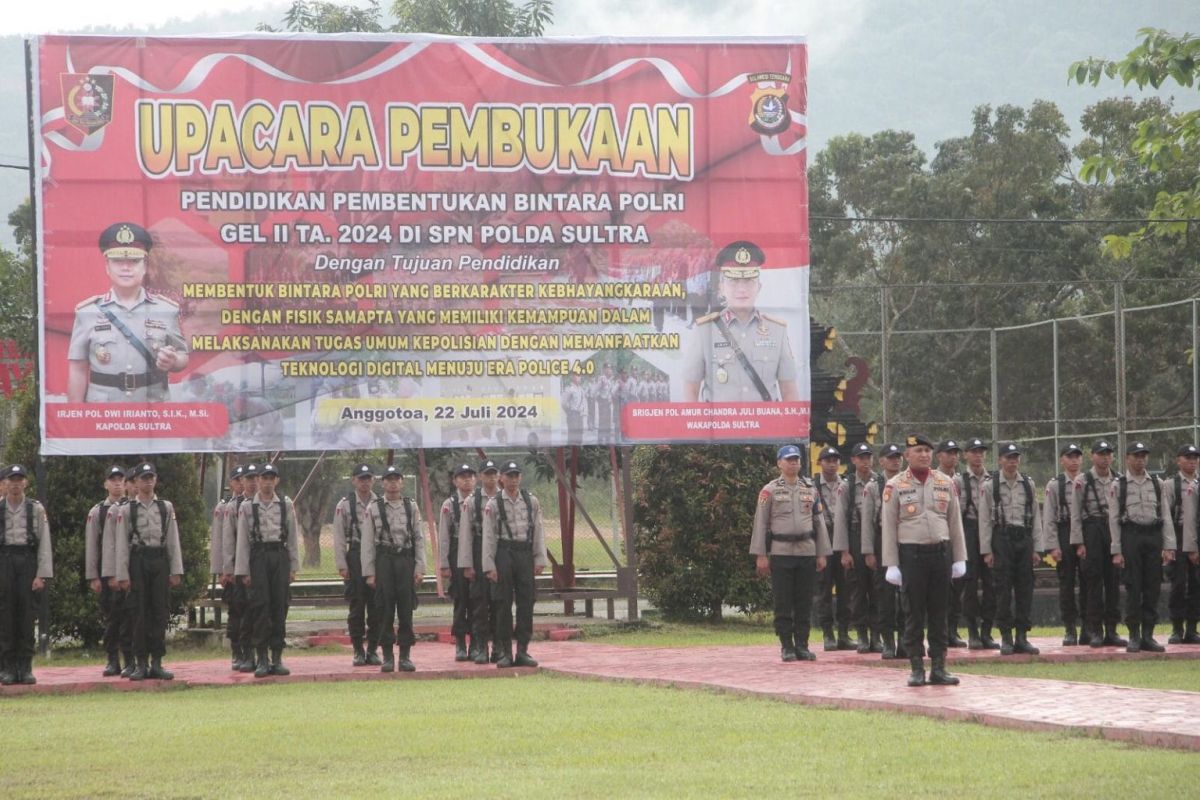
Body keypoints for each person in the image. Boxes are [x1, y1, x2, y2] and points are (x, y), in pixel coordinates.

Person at [67, 222, 188, 402]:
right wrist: (74, 420)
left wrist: (173, 361)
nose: (126, 268)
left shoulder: (166, 310)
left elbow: (182, 356)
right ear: (107, 267)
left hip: (152, 410)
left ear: (145, 266)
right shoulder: (87, 312)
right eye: (117, 261)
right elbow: (77, 369)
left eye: (133, 261)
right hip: (104, 413)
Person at [881, 435, 967, 687]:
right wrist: (892, 563)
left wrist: (959, 558)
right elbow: (888, 526)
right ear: (907, 455)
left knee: (940, 613)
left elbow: (954, 522)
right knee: (914, 614)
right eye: (918, 450)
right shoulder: (895, 485)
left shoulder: (945, 482)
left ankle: (939, 667)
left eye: (928, 450)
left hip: (940, 554)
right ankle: (916, 667)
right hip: (911, 556)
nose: (924, 455)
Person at [680, 241, 799, 403]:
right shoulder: (704, 331)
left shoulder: (777, 330)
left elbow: (789, 391)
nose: (742, 289)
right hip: (719, 426)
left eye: (749, 281)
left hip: (766, 426)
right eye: (734, 281)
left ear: (759, 287)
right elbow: (690, 390)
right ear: (721, 287)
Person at [754, 444, 830, 661]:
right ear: (779, 463)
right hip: (781, 551)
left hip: (806, 551)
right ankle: (787, 645)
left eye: (796, 459)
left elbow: (819, 522)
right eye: (789, 459)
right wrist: (760, 554)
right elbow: (760, 524)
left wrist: (822, 552)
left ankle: (802, 645)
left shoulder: (810, 489)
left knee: (804, 601)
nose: (793, 463)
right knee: (783, 601)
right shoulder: (769, 490)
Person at [114, 462, 183, 681]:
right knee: (139, 613)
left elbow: (173, 541)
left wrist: (176, 570)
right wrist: (122, 574)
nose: (148, 481)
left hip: (159, 560)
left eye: (151, 477)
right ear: (136, 482)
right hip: (138, 560)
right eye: (143, 478)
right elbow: (122, 545)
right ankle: (140, 663)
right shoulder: (127, 509)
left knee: (159, 613)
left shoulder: (165, 507)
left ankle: (157, 662)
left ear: (156, 479)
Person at [1109, 442, 1176, 653]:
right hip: (1132, 536)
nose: (1141, 460)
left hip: (1153, 536)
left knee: (1152, 587)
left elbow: (1165, 515)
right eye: (1136, 456)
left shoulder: (1158, 483)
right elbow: (1113, 519)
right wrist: (1117, 550)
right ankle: (1134, 635)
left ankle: (1148, 634)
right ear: (1127, 458)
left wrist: (1169, 545)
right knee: (1133, 586)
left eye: (1144, 456)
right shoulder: (1119, 485)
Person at [979, 443, 1045, 656]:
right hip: (1002, 538)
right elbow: (985, 520)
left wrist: (1037, 547)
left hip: (1023, 538)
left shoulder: (1028, 484)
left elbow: (1035, 516)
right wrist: (986, 550)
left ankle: (1022, 637)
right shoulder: (991, 485)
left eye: (1015, 457)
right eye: (1008, 457)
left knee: (1025, 589)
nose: (1012, 461)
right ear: (1000, 460)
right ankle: (1006, 636)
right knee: (1003, 589)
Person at [235, 463, 300, 678]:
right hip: (258, 556)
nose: (267, 482)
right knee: (260, 608)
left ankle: (277, 657)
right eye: (264, 477)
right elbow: (242, 541)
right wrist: (243, 571)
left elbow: (292, 537)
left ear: (277, 481)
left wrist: (293, 566)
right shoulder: (247, 506)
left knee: (279, 607)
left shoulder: (285, 504)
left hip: (279, 556)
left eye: (272, 478)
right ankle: (261, 658)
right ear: (259, 480)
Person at [483, 461, 548, 668]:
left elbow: (538, 532)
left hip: (524, 554)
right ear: (501, 478)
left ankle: (522, 650)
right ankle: (505, 652)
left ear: (520, 477)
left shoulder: (531, 501)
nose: (513, 479)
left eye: (516, 475)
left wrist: (539, 558)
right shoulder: (494, 504)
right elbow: (489, 536)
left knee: (526, 603)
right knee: (502, 604)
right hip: (504, 553)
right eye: (509, 476)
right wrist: (489, 565)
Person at [363, 465, 425, 673]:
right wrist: (369, 572)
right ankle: (388, 656)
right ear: (382, 483)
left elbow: (418, 538)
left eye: (396, 479)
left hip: (405, 560)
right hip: (384, 561)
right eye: (388, 479)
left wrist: (420, 567)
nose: (392, 483)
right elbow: (368, 542)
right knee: (385, 609)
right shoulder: (374, 507)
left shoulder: (411, 507)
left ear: (402, 482)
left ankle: (405, 656)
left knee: (406, 609)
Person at [1071, 440, 1126, 648]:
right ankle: (1095, 630)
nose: (1105, 457)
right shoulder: (1083, 480)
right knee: (1093, 582)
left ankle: (1112, 629)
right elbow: (1075, 514)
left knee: (1113, 582)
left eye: (1108, 453)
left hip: (1113, 531)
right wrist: (1078, 542)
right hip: (1092, 530)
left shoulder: (1120, 479)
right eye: (1101, 453)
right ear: (1092, 456)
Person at [0, 465, 52, 686]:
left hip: (27, 560)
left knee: (27, 615)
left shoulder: (35, 509)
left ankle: (26, 666)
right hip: (4, 560)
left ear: (25, 483)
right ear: (5, 483)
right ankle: (9, 667)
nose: (15, 483)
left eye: (19, 479)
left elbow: (44, 543)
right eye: (12, 479)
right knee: (6, 615)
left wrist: (42, 574)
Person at [333, 464, 382, 667]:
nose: (365, 482)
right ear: (353, 480)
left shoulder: (381, 502)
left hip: (378, 556)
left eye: (368, 478)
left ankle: (372, 650)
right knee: (357, 606)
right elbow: (338, 536)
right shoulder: (344, 505)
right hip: (355, 555)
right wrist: (342, 565)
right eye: (361, 478)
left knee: (377, 606)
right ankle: (357, 650)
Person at [87, 465, 131, 677]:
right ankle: (112, 659)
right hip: (108, 573)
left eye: (120, 480)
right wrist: (93, 576)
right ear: (105, 484)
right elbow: (92, 545)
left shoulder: (132, 507)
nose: (117, 484)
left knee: (131, 617)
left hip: (130, 572)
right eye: (112, 480)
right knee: (113, 618)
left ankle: (131, 659)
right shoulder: (98, 511)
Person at [834, 442, 878, 653]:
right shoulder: (847, 485)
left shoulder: (880, 482)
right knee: (858, 590)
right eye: (861, 457)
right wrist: (844, 551)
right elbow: (840, 519)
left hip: (876, 537)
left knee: (878, 589)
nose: (865, 461)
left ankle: (877, 635)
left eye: (868, 457)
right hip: (854, 536)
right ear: (853, 460)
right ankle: (862, 634)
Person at [861, 443, 904, 658]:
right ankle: (887, 640)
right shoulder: (872, 487)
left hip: (906, 539)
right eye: (891, 457)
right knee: (884, 594)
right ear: (882, 461)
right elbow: (867, 521)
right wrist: (868, 551)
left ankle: (906, 639)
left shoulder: (909, 482)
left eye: (898, 457)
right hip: (882, 540)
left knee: (908, 594)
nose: (896, 460)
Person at [1043, 443, 1087, 645]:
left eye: (1077, 456)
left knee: (1089, 582)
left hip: (1087, 534)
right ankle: (1070, 628)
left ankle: (1089, 627)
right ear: (1062, 460)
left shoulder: (1088, 481)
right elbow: (1049, 517)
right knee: (1067, 584)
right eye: (1069, 456)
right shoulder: (1055, 485)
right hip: (1064, 532)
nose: (1074, 460)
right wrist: (1053, 546)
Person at [460, 459, 502, 664]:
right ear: (481, 477)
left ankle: (499, 648)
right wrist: (467, 564)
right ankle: (481, 647)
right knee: (480, 603)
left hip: (500, 551)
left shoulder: (506, 498)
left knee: (500, 603)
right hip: (478, 550)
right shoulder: (472, 501)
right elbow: (465, 535)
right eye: (487, 474)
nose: (491, 477)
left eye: (494, 473)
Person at [957, 438, 997, 650]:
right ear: (966, 455)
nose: (978, 455)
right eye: (973, 451)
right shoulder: (959, 480)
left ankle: (987, 631)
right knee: (970, 584)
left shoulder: (993, 479)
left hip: (990, 531)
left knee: (991, 583)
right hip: (969, 531)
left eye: (981, 452)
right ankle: (972, 631)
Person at [814, 446, 855, 651]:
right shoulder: (812, 486)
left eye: (835, 460)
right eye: (828, 460)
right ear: (819, 462)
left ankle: (844, 634)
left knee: (845, 588)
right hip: (822, 540)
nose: (832, 463)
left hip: (843, 540)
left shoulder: (847, 485)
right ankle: (828, 634)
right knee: (824, 589)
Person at [226, 463, 261, 672]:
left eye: (255, 478)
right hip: (241, 566)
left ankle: (262, 654)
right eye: (247, 479)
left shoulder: (272, 503)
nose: (251, 482)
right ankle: (242, 652)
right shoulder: (234, 506)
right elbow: (228, 540)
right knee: (241, 611)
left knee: (262, 610)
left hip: (262, 564)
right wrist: (228, 569)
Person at [439, 463, 476, 661]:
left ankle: (477, 643)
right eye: (462, 477)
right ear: (455, 481)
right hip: (456, 552)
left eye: (470, 476)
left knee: (478, 600)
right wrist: (444, 564)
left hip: (476, 552)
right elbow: (444, 536)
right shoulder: (449, 504)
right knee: (461, 600)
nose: (466, 480)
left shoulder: (481, 501)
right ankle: (460, 643)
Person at [1163, 444, 1200, 644]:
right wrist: (1168, 544)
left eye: (1195, 457)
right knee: (1178, 584)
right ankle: (1177, 628)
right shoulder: (1171, 484)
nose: (1192, 461)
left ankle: (1192, 629)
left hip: (1197, 536)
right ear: (1179, 460)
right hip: (1177, 535)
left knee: (1196, 584)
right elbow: (1166, 515)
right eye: (1187, 457)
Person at [935, 440, 967, 648]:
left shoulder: (961, 480)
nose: (953, 456)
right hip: (940, 536)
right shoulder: (933, 478)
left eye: (955, 453)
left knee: (958, 586)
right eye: (949, 453)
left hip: (961, 533)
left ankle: (953, 630)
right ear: (939, 456)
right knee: (940, 588)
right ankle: (941, 631)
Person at [210, 466, 240, 669]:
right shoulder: (224, 507)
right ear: (231, 483)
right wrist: (221, 570)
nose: (241, 483)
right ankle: (237, 651)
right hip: (233, 565)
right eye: (237, 480)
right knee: (236, 610)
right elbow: (219, 540)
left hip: (253, 562)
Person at [562, 374, 586, 446]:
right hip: (573, 415)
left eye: (580, 376)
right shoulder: (570, 389)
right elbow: (563, 403)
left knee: (579, 436)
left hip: (580, 415)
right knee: (572, 437)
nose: (580, 377)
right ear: (573, 377)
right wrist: (569, 412)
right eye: (578, 376)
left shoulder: (580, 389)